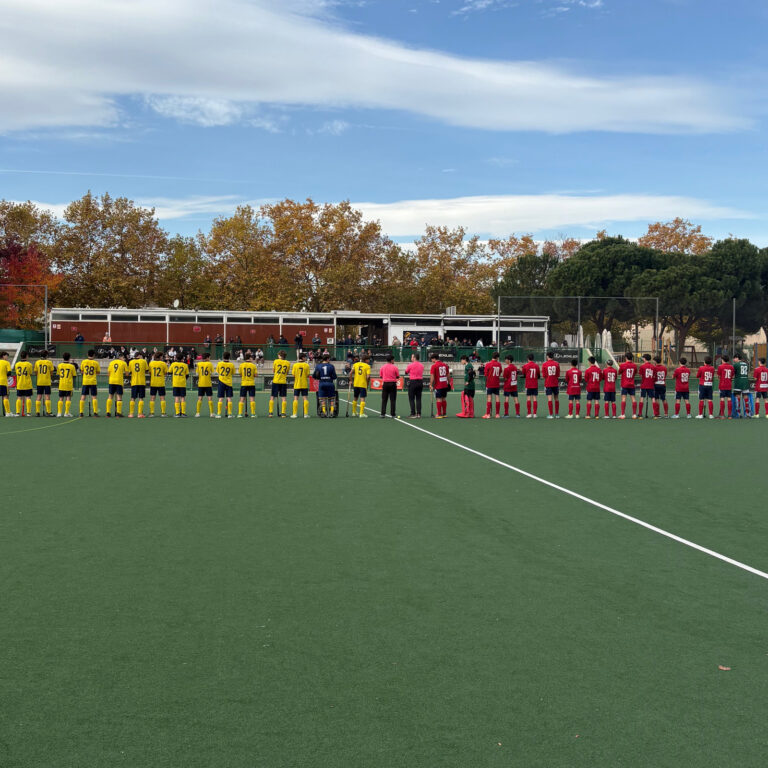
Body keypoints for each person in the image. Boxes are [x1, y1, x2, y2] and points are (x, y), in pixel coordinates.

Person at [313, 352, 338, 417]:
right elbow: (335, 377)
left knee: (322, 399)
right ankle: (331, 412)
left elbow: (314, 376)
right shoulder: (331, 366)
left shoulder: (318, 366)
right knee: (332, 398)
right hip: (330, 383)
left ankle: (324, 412)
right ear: (327, 359)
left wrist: (319, 377)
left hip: (322, 383)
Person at [78, 349, 100, 417]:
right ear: (94, 355)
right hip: (93, 381)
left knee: (83, 396)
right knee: (94, 397)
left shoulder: (84, 361)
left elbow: (82, 371)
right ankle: (95, 412)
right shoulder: (96, 363)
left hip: (85, 381)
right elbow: (98, 372)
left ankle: (81, 412)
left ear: (87, 354)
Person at [429, 352, 452, 419]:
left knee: (438, 399)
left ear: (434, 359)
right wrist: (449, 383)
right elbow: (448, 375)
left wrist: (430, 384)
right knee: (443, 398)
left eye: (431, 359)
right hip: (444, 384)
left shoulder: (434, 366)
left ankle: (439, 414)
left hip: (438, 385)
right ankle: (444, 413)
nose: (431, 361)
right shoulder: (445, 365)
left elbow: (432, 376)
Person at [269, 349, 290, 418]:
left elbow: (274, 371)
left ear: (280, 355)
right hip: (283, 382)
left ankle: (270, 413)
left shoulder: (276, 361)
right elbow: (287, 372)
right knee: (283, 397)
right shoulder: (288, 363)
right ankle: (283, 413)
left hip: (276, 381)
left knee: (272, 397)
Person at [33, 350, 54, 417]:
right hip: (47, 382)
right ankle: (48, 412)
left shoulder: (37, 362)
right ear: (47, 355)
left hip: (39, 381)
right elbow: (51, 373)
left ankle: (37, 412)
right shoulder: (49, 362)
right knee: (47, 396)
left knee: (39, 396)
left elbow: (35, 372)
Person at [290, 352, 311, 419]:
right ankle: (306, 414)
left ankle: (294, 414)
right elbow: (308, 375)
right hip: (304, 384)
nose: (306, 358)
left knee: (296, 398)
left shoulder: (295, 365)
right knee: (305, 398)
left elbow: (293, 375)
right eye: (305, 357)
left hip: (297, 384)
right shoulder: (306, 365)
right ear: (303, 358)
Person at [379, 354, 400, 418]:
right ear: (391, 360)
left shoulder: (382, 367)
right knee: (393, 400)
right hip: (392, 384)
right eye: (393, 360)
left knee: (384, 399)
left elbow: (381, 376)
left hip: (385, 384)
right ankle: (393, 414)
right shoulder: (395, 367)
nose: (394, 361)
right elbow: (397, 376)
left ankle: (382, 414)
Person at [56, 352, 77, 417]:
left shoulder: (59, 365)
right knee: (68, 398)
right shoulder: (72, 366)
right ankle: (66, 413)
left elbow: (58, 374)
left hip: (61, 384)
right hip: (69, 384)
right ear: (69, 358)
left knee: (61, 398)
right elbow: (74, 375)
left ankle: (59, 413)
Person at [237, 352, 258, 418]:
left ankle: (240, 414)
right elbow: (255, 375)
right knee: (252, 399)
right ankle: (253, 414)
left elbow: (240, 374)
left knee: (242, 399)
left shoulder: (241, 365)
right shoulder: (253, 365)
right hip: (251, 383)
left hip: (244, 383)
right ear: (250, 358)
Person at [483, 352, 503, 419]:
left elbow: (485, 374)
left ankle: (488, 414)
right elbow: (500, 372)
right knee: (497, 397)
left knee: (489, 398)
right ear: (497, 357)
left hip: (490, 384)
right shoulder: (499, 364)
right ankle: (497, 414)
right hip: (496, 383)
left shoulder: (488, 364)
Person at [127, 352, 147, 418]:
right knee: (141, 398)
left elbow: (129, 372)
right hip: (141, 382)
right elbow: (146, 370)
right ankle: (140, 414)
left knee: (133, 398)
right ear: (139, 355)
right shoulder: (143, 361)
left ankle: (131, 414)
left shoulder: (131, 362)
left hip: (134, 382)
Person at [148, 352, 168, 418]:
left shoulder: (151, 363)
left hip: (153, 383)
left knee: (152, 398)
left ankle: (151, 413)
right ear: (160, 357)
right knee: (162, 398)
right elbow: (165, 373)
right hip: (161, 383)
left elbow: (150, 373)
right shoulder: (163, 363)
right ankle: (163, 413)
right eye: (162, 356)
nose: (162, 357)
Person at [732, 353, 752, 418]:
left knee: (738, 397)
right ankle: (748, 413)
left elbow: (733, 374)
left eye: (734, 358)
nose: (733, 359)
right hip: (745, 382)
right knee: (746, 397)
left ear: (737, 358)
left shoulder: (736, 365)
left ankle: (738, 413)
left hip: (738, 382)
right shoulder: (746, 364)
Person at [618, 353, 638, 419]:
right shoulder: (634, 365)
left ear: (626, 357)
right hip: (631, 384)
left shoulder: (623, 365)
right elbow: (635, 373)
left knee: (623, 398)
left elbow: (619, 372)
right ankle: (634, 414)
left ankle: (623, 414)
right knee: (633, 398)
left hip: (624, 384)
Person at [216, 352, 235, 418]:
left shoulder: (219, 363)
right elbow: (233, 373)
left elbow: (218, 371)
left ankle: (218, 414)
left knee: (220, 398)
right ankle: (230, 414)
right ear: (229, 357)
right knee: (229, 398)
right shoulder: (231, 365)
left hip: (221, 382)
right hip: (229, 383)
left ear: (223, 357)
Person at [14, 351, 34, 417]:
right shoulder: (29, 364)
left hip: (20, 384)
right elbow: (30, 373)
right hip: (27, 384)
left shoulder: (17, 364)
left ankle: (17, 413)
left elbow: (17, 373)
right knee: (28, 397)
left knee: (19, 398)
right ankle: (28, 413)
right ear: (27, 356)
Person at [542, 351, 561, 419]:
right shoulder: (557, 364)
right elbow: (558, 374)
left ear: (547, 356)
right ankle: (557, 414)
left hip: (548, 383)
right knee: (556, 398)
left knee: (549, 399)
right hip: (555, 383)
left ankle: (551, 414)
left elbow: (544, 376)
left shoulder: (544, 364)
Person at [195, 353, 215, 418]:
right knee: (210, 398)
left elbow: (197, 374)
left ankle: (197, 413)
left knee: (200, 398)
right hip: (208, 384)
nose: (209, 358)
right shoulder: (210, 364)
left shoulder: (199, 364)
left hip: (201, 383)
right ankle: (211, 413)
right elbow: (213, 373)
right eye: (209, 357)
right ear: (207, 358)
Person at [405, 353, 424, 418]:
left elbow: (406, 372)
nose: (411, 358)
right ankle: (419, 414)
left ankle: (413, 414)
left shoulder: (410, 365)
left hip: (413, 382)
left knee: (411, 398)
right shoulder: (421, 365)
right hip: (420, 382)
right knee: (418, 398)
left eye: (412, 357)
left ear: (415, 358)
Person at [521, 354, 540, 418]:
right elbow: (538, 374)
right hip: (535, 384)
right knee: (534, 398)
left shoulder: (525, 365)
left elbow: (524, 373)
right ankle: (534, 414)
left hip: (528, 384)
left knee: (528, 398)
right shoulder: (536, 365)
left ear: (528, 358)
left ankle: (529, 413)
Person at [638, 354, 655, 418]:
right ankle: (655, 413)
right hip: (651, 385)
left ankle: (640, 413)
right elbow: (654, 375)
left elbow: (640, 375)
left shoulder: (642, 366)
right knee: (653, 398)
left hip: (644, 384)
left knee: (642, 397)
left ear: (644, 359)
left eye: (643, 358)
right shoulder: (653, 366)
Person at [0, 351, 11, 416]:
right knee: (5, 396)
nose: (7, 357)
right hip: (3, 382)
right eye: (6, 356)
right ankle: (8, 412)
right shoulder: (7, 363)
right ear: (3, 356)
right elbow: (9, 373)